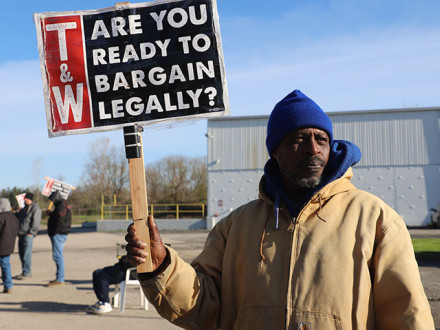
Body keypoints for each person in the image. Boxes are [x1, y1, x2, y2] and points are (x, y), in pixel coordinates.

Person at [125, 90, 435, 329]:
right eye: (298, 139)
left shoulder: (374, 219)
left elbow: (408, 314)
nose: (313, 149)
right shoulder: (235, 226)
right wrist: (163, 265)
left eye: (321, 140)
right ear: (276, 151)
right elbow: (202, 308)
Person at [46, 190, 72, 287]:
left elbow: (59, 217)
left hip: (58, 233)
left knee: (58, 256)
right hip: (61, 233)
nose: (51, 202)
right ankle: (59, 277)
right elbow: (58, 215)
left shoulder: (61, 205)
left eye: (52, 200)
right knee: (58, 255)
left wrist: (54, 231)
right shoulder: (63, 204)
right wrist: (51, 214)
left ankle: (60, 278)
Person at [15, 192, 41, 280]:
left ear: (30, 199)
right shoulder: (24, 208)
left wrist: (31, 232)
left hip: (28, 234)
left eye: (26, 198)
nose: (24, 199)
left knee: (26, 254)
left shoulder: (35, 208)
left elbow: (36, 221)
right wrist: (16, 212)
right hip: (21, 234)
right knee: (21, 253)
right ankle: (24, 271)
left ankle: (27, 272)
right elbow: (19, 218)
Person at [0, 198, 19, 293]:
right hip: (9, 245)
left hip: (1, 245)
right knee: (6, 265)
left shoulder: (1, 218)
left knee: (5, 264)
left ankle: (8, 285)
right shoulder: (14, 218)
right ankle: (8, 285)